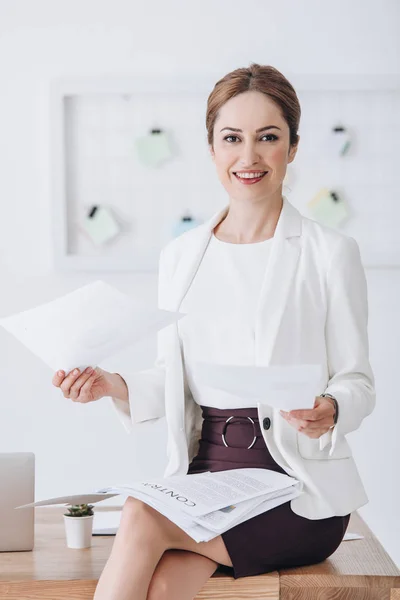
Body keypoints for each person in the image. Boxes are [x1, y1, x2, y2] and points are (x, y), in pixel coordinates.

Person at [52, 63, 376, 600]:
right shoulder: (181, 256)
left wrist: (333, 408)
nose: (248, 157)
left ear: (292, 147)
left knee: (139, 516)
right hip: (206, 478)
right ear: (211, 149)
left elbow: (358, 381)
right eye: (232, 139)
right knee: (159, 585)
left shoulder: (329, 253)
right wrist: (114, 385)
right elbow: (170, 375)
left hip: (297, 487)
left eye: (267, 138)